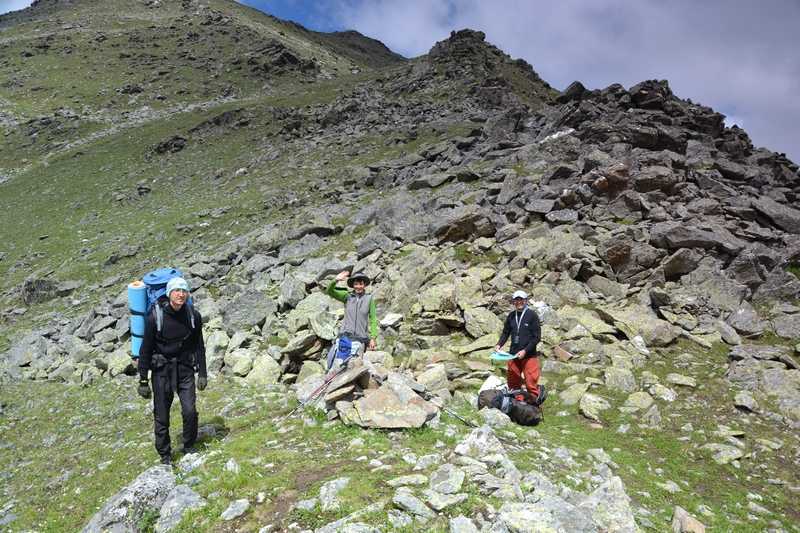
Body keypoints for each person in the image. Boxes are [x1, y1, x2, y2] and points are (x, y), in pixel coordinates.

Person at [137, 277, 207, 465]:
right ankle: (165, 455)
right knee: (162, 416)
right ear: (169, 293)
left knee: (190, 411)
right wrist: (143, 380)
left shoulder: (193, 316)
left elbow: (199, 346)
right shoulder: (154, 317)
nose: (181, 294)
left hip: (185, 368)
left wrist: (202, 373)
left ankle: (189, 445)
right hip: (162, 371)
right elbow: (145, 350)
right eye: (177, 290)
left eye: (184, 291)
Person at [495, 290, 545, 405]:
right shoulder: (511, 316)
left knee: (530, 383)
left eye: (521, 299)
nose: (519, 302)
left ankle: (534, 406)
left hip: (529, 355)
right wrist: (499, 344)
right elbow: (505, 333)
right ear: (513, 302)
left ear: (526, 301)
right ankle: (516, 404)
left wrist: (525, 350)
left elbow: (537, 337)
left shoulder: (532, 315)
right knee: (513, 382)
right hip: (513, 355)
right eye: (516, 300)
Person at [325, 271, 378, 357]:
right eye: (356, 284)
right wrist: (336, 280)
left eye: (361, 284)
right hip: (345, 337)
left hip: (360, 340)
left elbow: (373, 319)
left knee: (355, 363)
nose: (358, 287)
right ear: (353, 285)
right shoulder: (347, 296)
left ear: (364, 285)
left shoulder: (369, 299)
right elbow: (329, 291)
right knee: (339, 362)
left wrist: (373, 338)